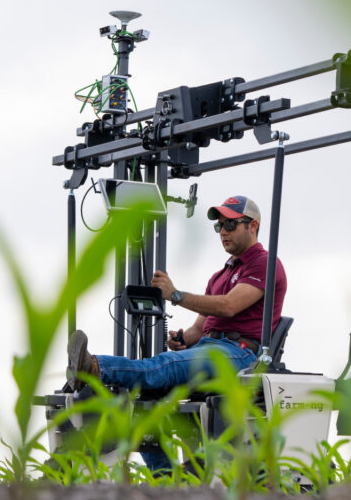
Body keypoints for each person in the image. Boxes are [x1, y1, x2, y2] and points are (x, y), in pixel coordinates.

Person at [65, 194, 286, 470]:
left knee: (163, 367)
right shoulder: (219, 276)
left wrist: (176, 295)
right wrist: (182, 339)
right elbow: (199, 328)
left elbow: (229, 307)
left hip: (238, 355)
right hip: (210, 348)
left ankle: (93, 367)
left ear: (252, 225)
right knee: (147, 398)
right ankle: (166, 478)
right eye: (219, 226)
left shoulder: (264, 263)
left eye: (231, 225)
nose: (223, 232)